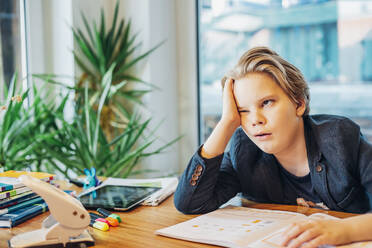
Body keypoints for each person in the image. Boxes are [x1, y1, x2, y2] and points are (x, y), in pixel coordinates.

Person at [174, 46, 372, 248]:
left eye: (266, 102)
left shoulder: (340, 139)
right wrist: (225, 123)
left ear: (298, 103)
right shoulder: (244, 151)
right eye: (243, 111)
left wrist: (344, 230)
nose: (255, 120)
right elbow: (190, 203)